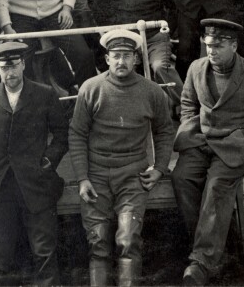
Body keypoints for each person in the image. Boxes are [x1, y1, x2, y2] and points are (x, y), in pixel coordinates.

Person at [171, 19, 244, 285]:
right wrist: (191, 128)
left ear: (234, 46)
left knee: (217, 185)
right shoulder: (196, 69)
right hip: (202, 141)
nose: (211, 51)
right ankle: (215, 250)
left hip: (236, 145)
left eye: (218, 46)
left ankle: (201, 261)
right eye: (208, 45)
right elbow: (187, 103)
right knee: (181, 179)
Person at [69, 29, 175, 287]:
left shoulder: (151, 92)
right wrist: (83, 178)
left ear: (136, 59)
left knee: (128, 241)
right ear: (106, 59)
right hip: (96, 175)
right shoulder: (91, 89)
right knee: (98, 242)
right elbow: (77, 134)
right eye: (115, 56)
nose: (121, 62)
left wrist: (160, 167)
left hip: (132, 175)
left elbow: (164, 130)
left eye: (127, 56)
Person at [0, 42, 69, 286]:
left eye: (14, 65)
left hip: (35, 183)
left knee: (44, 252)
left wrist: (47, 161)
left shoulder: (44, 93)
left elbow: (61, 134)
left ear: (24, 64)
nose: (10, 73)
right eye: (5, 67)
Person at [91, 0, 182, 107]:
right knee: (122, 71)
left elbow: (174, 9)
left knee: (161, 67)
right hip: (127, 41)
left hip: (155, 39)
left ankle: (185, 105)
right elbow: (99, 16)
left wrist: (166, 30)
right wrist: (114, 34)